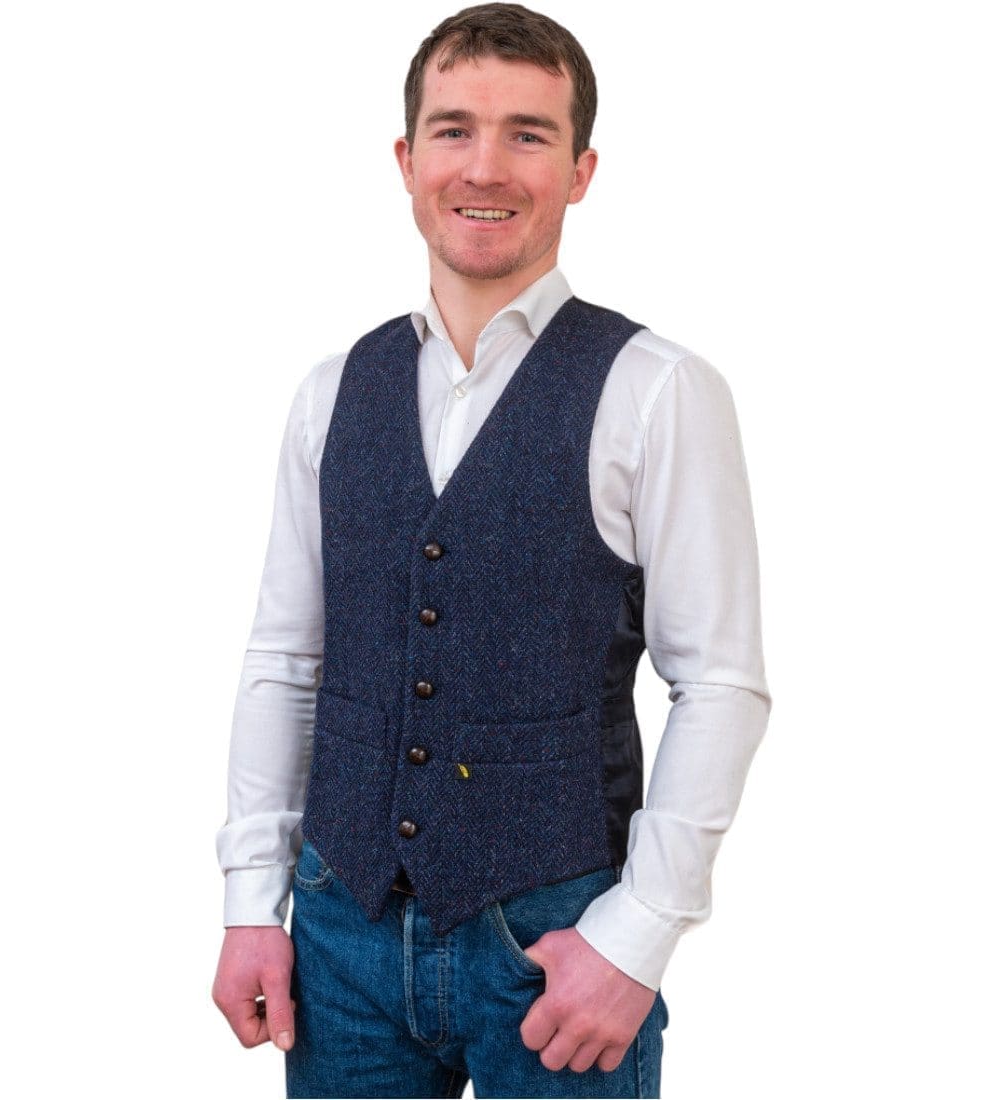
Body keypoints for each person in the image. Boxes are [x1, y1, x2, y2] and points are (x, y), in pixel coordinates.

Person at [212, 4, 771, 1097]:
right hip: (339, 931)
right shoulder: (331, 392)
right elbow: (286, 659)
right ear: (406, 159)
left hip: (557, 939)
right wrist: (249, 902)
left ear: (579, 171)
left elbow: (719, 682)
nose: (484, 167)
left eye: (527, 134)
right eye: (454, 129)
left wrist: (637, 937)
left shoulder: (657, 391)